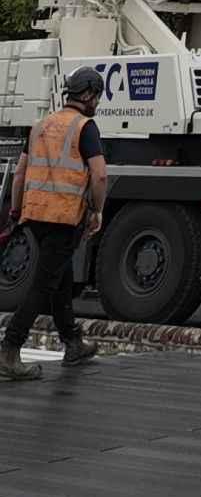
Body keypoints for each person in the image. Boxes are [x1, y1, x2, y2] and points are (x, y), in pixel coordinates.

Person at [1, 66, 109, 381]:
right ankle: (9, 349)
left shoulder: (40, 125)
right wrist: (96, 210)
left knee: (60, 276)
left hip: (35, 216)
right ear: (88, 94)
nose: (97, 103)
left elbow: (20, 173)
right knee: (44, 284)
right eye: (97, 96)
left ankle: (72, 342)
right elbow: (100, 175)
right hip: (64, 217)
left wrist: (16, 210)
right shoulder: (85, 127)